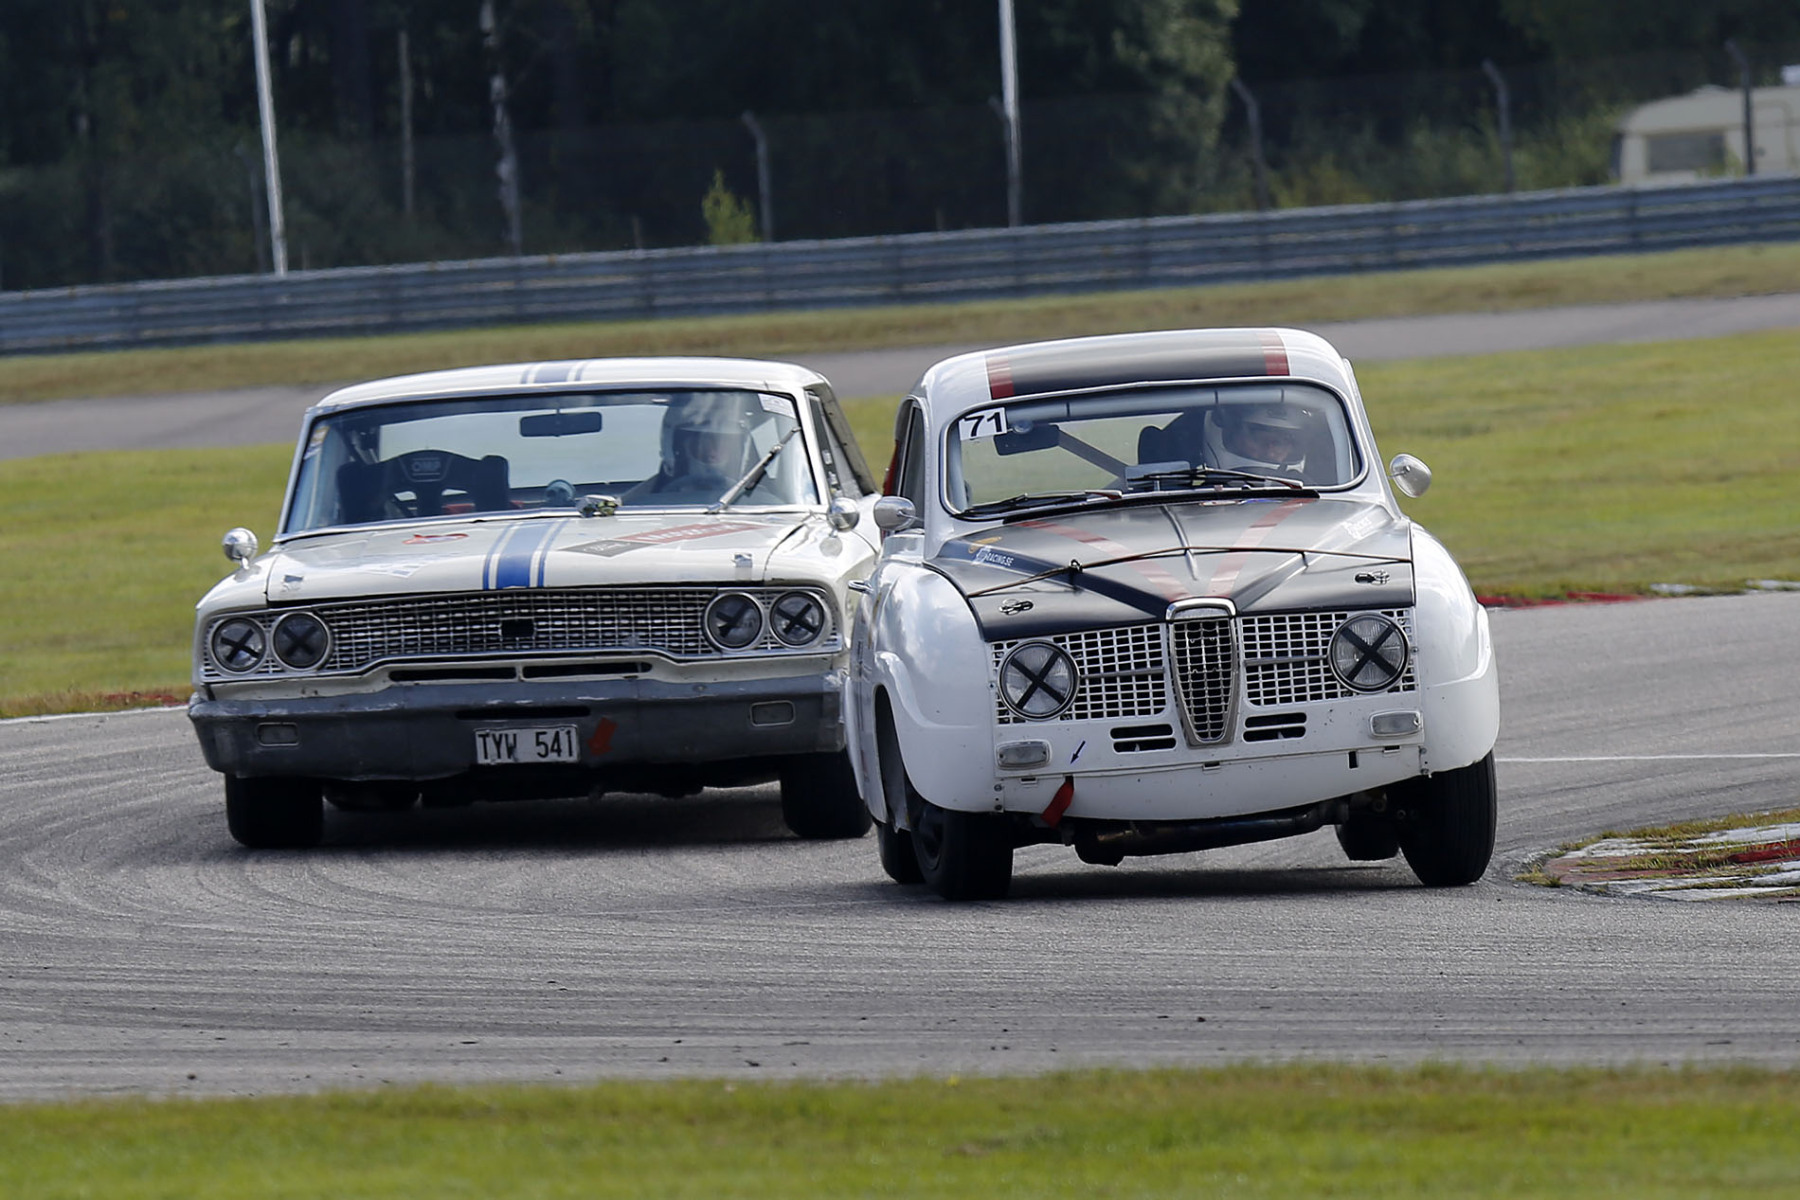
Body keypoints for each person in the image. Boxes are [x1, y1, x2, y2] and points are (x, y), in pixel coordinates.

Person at [626, 394, 752, 500]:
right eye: (702, 442)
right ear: (678, 447)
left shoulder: (757, 497)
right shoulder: (640, 499)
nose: (712, 451)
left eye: (723, 442)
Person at [1204, 404, 1307, 476]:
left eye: (1279, 443)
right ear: (1233, 437)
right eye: (1259, 439)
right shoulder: (1202, 494)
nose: (1269, 452)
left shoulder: (1308, 492)